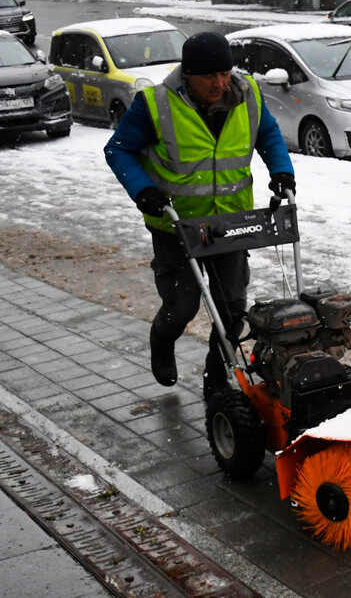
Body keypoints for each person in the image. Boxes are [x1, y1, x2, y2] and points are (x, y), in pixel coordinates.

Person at [104, 31, 295, 392]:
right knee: (182, 304)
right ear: (187, 74)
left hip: (230, 222)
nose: (219, 83)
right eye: (209, 76)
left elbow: (267, 134)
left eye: (224, 73)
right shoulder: (155, 104)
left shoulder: (248, 95)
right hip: (176, 225)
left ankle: (216, 368)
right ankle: (162, 339)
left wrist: (282, 171)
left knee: (233, 305)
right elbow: (119, 151)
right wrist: (142, 191)